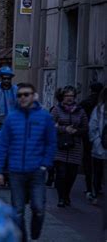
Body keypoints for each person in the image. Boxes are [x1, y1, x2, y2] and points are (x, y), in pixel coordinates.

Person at [0, 83, 56, 242]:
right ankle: (22, 238)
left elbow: (51, 143)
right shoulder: (11, 118)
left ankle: (35, 233)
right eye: (19, 95)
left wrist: (45, 164)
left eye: (26, 94)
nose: (22, 97)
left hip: (37, 170)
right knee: (18, 211)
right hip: (16, 171)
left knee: (39, 208)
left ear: (34, 96)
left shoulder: (45, 117)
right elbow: (3, 146)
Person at [50, 86, 88, 207]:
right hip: (59, 146)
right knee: (61, 173)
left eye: (71, 96)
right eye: (67, 96)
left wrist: (75, 131)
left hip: (75, 147)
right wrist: (64, 128)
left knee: (71, 174)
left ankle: (67, 194)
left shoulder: (80, 111)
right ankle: (61, 197)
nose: (69, 98)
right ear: (63, 97)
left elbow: (86, 127)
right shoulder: (56, 110)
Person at [80, 82, 104, 202]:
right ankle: (97, 185)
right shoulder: (100, 105)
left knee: (88, 162)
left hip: (89, 137)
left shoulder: (86, 103)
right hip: (101, 138)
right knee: (99, 164)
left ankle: (90, 187)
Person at [88, 87, 107, 231]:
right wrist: (97, 143)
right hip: (100, 149)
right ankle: (95, 192)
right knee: (98, 172)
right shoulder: (99, 110)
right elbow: (93, 127)